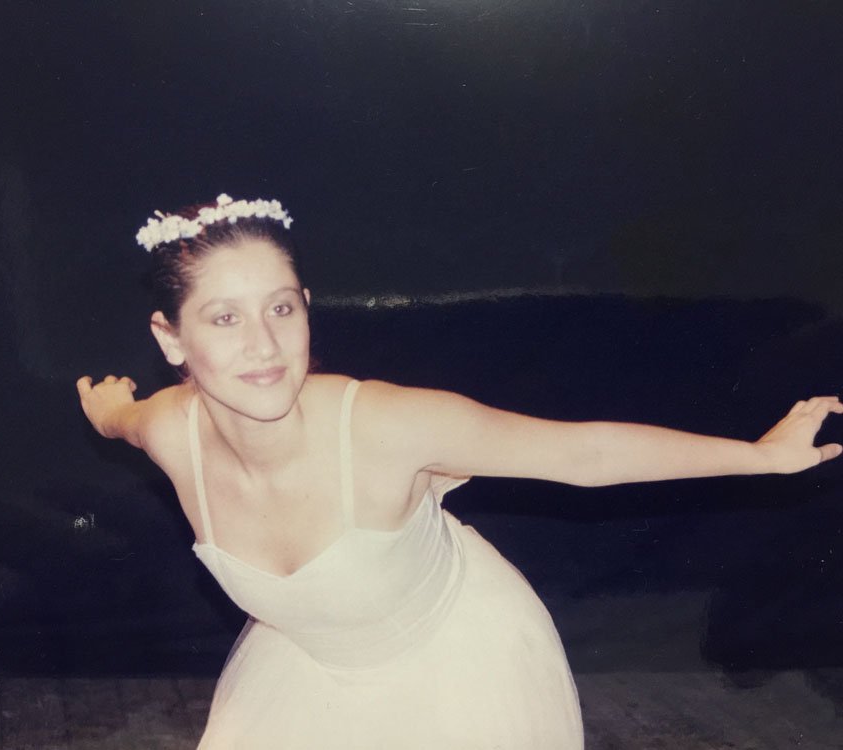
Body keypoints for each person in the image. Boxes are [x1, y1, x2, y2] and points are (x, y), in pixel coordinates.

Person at [77, 193, 841, 749]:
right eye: (224, 318)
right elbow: (122, 416)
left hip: (458, 660)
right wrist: (106, 405)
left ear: (307, 305)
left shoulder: (387, 425)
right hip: (312, 660)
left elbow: (583, 454)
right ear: (170, 340)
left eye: (281, 309)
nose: (264, 346)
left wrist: (761, 456)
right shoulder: (167, 430)